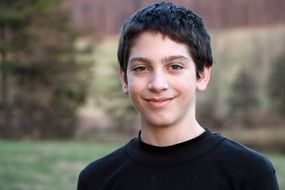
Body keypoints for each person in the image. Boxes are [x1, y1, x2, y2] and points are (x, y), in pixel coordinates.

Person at [77, 2, 279, 190]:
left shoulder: (250, 173)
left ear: (202, 75)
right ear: (124, 79)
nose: (157, 84)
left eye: (175, 66)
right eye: (141, 68)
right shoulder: (97, 180)